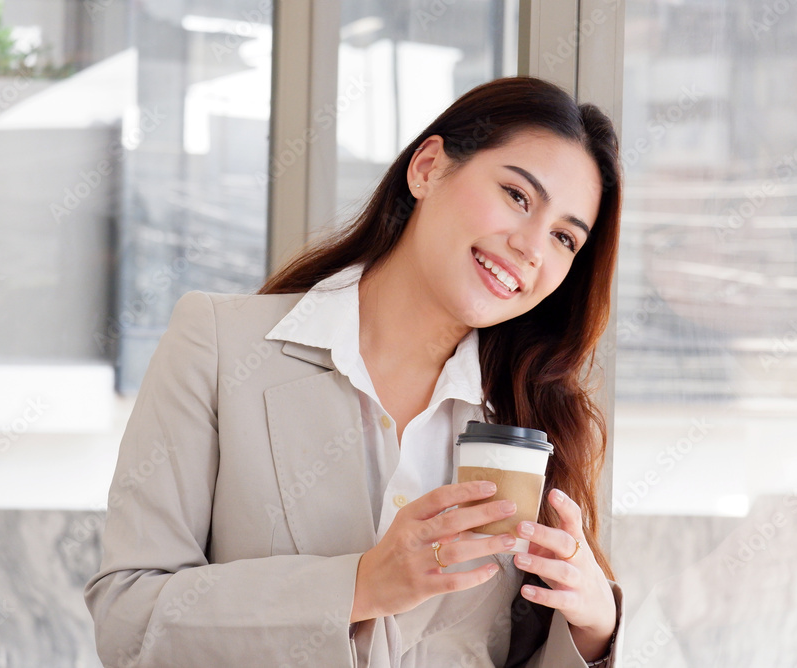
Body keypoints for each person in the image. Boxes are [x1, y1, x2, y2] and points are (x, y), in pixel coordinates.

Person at [85, 75, 624, 667]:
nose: (532, 248)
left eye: (565, 238)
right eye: (518, 197)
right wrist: (359, 585)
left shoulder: (537, 415)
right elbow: (127, 621)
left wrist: (594, 630)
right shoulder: (219, 346)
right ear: (427, 168)